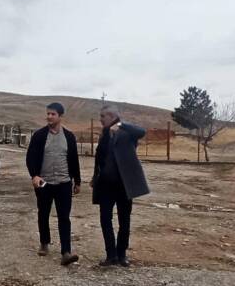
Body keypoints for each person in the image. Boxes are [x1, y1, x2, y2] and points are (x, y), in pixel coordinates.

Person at [91, 104, 149, 267]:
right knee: (105, 219)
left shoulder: (126, 132)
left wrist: (122, 125)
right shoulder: (104, 134)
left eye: (102, 116)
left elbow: (142, 132)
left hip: (124, 185)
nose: (100, 119)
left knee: (124, 220)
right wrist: (95, 177)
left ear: (111, 116)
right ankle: (111, 255)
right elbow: (100, 158)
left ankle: (122, 254)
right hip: (105, 186)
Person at [25, 102, 81, 265]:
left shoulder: (69, 136)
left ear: (60, 116)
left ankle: (66, 252)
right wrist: (34, 175)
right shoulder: (39, 135)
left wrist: (77, 181)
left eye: (53, 114)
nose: (49, 116)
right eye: (48, 114)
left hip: (64, 183)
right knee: (43, 213)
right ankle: (44, 243)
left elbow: (74, 160)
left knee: (64, 217)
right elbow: (30, 157)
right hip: (44, 182)